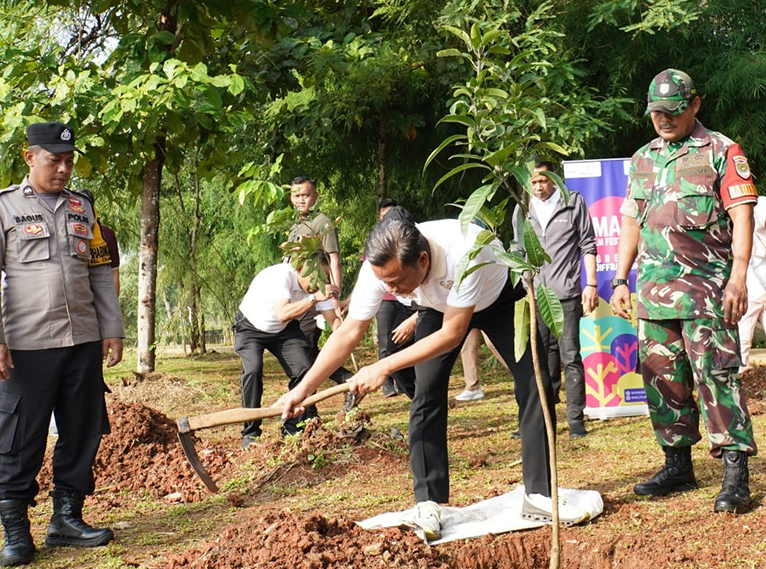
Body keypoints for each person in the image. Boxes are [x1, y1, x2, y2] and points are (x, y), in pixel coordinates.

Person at [277, 216, 591, 541]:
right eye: (385, 282)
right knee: (426, 395)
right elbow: (349, 332)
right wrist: (303, 388)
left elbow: (453, 333)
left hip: (497, 299)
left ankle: (539, 494)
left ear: (423, 260)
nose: (390, 290)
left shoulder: (466, 248)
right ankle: (429, 504)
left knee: (534, 383)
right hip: (437, 308)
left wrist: (382, 367)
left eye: (397, 282)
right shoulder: (381, 271)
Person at [0, 122, 125, 567]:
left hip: (82, 339)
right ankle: (16, 534)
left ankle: (66, 520)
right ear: (30, 158)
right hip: (27, 345)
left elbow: (99, 270)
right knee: (21, 437)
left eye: (68, 162)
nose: (63, 169)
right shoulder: (0, 207)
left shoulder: (83, 207)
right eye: (53, 161)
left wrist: (111, 328)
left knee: (82, 430)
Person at [611, 69, 758, 513]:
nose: (664, 119)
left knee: (717, 377)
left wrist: (737, 277)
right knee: (662, 380)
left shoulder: (722, 150)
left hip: (708, 293)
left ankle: (735, 474)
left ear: (695, 104)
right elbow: (632, 221)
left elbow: (742, 216)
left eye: (673, 110)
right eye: (657, 111)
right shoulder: (642, 158)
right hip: (655, 294)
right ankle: (678, 465)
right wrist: (620, 279)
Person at [512, 160, 598, 438]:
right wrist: (523, 285)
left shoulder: (572, 202)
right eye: (534, 182)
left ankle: (575, 420)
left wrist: (591, 284)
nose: (538, 187)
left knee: (570, 355)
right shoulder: (522, 208)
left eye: (543, 181)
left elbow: (587, 244)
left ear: (554, 179)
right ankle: (542, 418)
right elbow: (517, 249)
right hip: (536, 297)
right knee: (539, 358)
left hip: (567, 294)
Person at [235, 251, 339, 448]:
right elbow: (283, 313)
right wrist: (314, 299)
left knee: (305, 369)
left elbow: (335, 324)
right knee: (253, 370)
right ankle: (251, 433)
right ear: (299, 268)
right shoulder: (280, 276)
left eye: (323, 277)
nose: (319, 282)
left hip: (284, 331)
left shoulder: (318, 290)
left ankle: (293, 428)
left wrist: (347, 328)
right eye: (315, 276)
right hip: (250, 328)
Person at [287, 176, 354, 391]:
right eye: (296, 195)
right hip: (299, 293)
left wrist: (335, 296)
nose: (300, 200)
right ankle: (347, 381)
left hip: (318, 293)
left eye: (305, 195)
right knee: (305, 349)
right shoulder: (294, 226)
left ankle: (308, 402)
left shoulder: (321, 223)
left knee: (303, 346)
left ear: (315, 197)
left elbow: (333, 259)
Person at [374, 199, 416, 398]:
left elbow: (448, 317)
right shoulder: (375, 251)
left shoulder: (422, 247)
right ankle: (416, 396)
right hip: (397, 305)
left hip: (429, 307)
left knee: (430, 366)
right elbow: (350, 331)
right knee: (391, 349)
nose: (390, 287)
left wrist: (414, 320)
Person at [738, 196, 766, 372]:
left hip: (757, 274)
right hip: (751, 277)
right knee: (743, 333)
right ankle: (740, 375)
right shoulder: (758, 203)